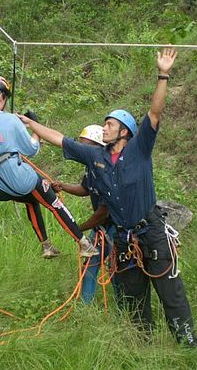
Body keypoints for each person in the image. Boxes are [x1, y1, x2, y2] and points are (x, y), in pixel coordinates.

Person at [18, 48, 197, 347]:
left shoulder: (139, 148)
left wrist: (163, 74)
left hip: (151, 232)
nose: (104, 128)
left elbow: (154, 113)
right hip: (124, 239)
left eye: (110, 125)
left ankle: (189, 345)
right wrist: (29, 124)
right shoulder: (95, 156)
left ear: (125, 132)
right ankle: (144, 347)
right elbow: (58, 137)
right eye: (105, 124)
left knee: (171, 292)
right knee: (134, 298)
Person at [0, 75, 99, 259]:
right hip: (19, 180)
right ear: (1, 97)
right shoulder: (11, 120)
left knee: (31, 200)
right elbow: (32, 149)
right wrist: (36, 129)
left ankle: (47, 246)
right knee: (53, 202)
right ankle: (84, 243)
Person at [52, 125, 117, 304]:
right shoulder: (91, 166)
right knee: (90, 265)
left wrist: (77, 229)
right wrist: (63, 186)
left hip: (115, 228)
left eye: (86, 146)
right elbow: (85, 189)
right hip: (101, 228)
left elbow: (102, 213)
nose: (83, 151)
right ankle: (85, 307)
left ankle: (125, 310)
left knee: (116, 269)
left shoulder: (108, 170)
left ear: (97, 147)